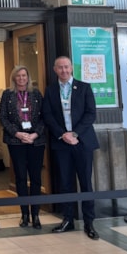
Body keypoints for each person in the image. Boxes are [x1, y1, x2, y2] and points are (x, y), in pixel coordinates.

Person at [42, 56, 100, 240]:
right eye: (60, 67)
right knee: (65, 183)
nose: (64, 70)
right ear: (55, 69)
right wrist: (63, 134)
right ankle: (68, 219)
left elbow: (91, 114)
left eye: (66, 67)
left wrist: (74, 134)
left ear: (71, 68)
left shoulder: (84, 87)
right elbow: (48, 115)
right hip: (61, 143)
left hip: (82, 142)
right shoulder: (50, 90)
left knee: (85, 183)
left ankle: (89, 222)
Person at [0, 65, 46, 229]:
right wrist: (18, 134)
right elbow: (3, 118)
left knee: (35, 179)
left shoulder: (36, 94)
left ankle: (36, 215)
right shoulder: (7, 95)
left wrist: (34, 135)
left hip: (35, 141)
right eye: (18, 76)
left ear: (28, 77)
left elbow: (44, 118)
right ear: (14, 78)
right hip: (16, 141)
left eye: (24, 75)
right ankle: (24, 214)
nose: (21, 78)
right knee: (20, 178)